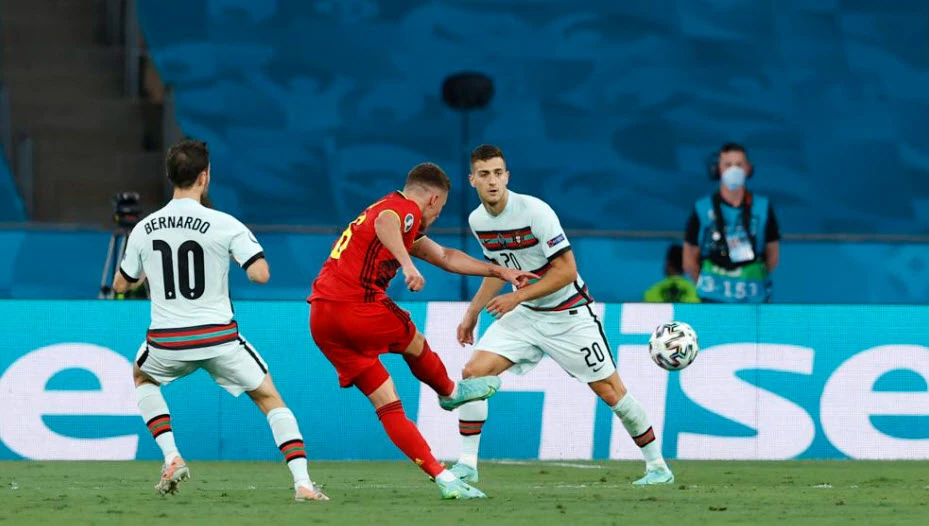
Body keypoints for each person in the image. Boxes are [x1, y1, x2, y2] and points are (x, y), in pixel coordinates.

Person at [112, 140, 328, 502]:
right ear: (204, 176)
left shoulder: (144, 229)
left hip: (167, 341)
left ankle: (171, 456)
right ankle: (303, 483)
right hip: (218, 339)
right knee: (269, 398)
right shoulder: (225, 224)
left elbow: (122, 284)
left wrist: (148, 270)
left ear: (170, 177)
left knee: (142, 377)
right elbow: (260, 274)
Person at [308, 162, 537, 500]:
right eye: (439, 211)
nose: (436, 217)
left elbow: (445, 256)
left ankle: (443, 478)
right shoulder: (403, 210)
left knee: (387, 403)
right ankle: (449, 392)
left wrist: (498, 271)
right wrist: (407, 265)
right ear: (433, 199)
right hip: (357, 305)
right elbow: (388, 223)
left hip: (321, 317)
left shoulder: (386, 214)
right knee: (413, 339)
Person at [451, 144, 674, 485]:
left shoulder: (535, 212)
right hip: (526, 314)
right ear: (472, 180)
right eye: (484, 175)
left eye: (497, 173)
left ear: (507, 176)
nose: (492, 181)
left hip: (568, 314)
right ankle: (467, 464)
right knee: (473, 373)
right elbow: (497, 267)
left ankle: (657, 466)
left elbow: (567, 271)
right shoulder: (477, 220)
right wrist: (472, 312)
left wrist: (517, 297)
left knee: (611, 392)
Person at [683, 142, 780, 303]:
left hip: (753, 299)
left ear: (748, 168)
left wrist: (749, 279)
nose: (734, 170)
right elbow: (689, 259)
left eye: (739, 165)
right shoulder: (702, 208)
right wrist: (711, 287)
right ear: (718, 169)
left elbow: (773, 256)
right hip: (713, 299)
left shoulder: (762, 207)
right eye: (728, 165)